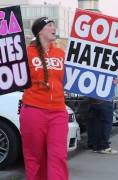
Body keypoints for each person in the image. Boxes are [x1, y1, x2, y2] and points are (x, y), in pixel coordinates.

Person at [19, 17, 68, 179]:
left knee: (58, 157)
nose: (54, 27)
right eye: (49, 25)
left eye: (54, 24)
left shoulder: (60, 53)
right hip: (33, 111)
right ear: (40, 31)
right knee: (35, 158)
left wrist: (108, 82)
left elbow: (74, 80)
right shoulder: (25, 53)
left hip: (58, 112)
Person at [86, 89, 118, 154]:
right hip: (105, 98)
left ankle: (95, 145)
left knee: (95, 123)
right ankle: (103, 146)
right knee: (105, 123)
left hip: (93, 98)